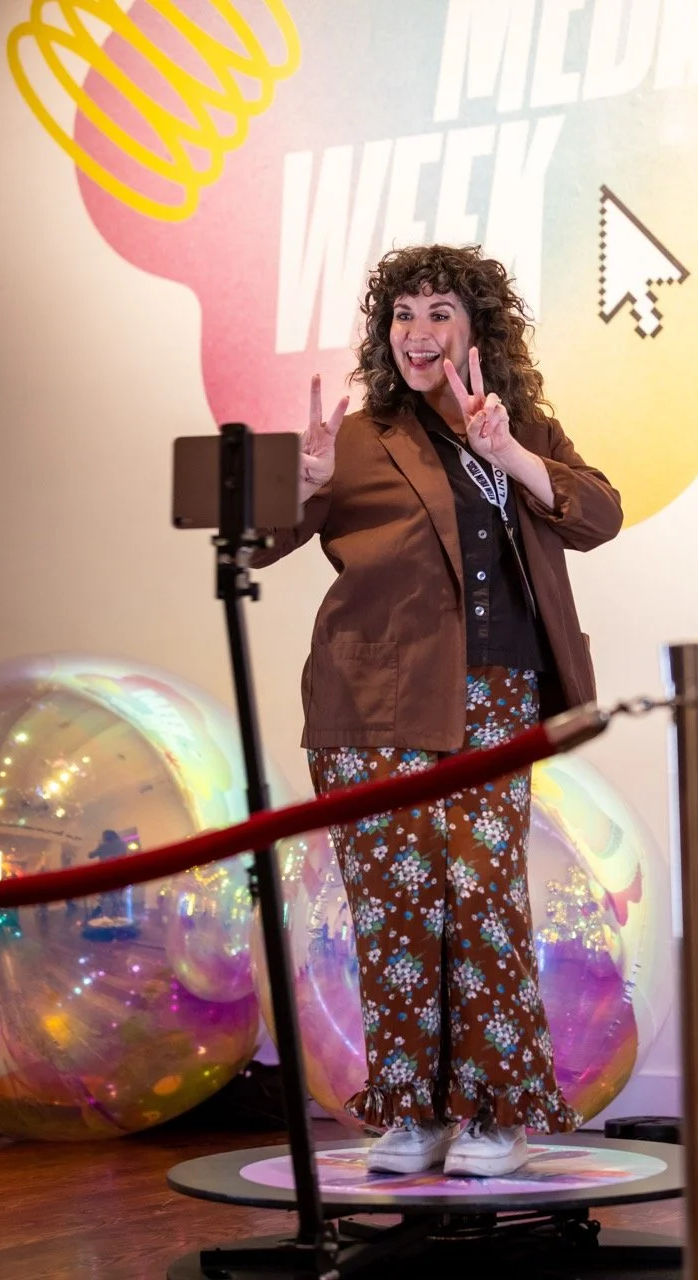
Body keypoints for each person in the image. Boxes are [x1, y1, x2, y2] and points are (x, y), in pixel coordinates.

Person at [254, 243, 623, 1177]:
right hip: (371, 704)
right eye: (403, 315)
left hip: (496, 698)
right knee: (393, 913)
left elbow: (599, 516)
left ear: (477, 329)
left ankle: (497, 1115)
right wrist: (299, 485)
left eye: (439, 313)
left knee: (486, 901)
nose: (417, 334)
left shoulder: (519, 423)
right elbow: (253, 546)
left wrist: (512, 455)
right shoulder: (355, 435)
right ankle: (412, 1112)